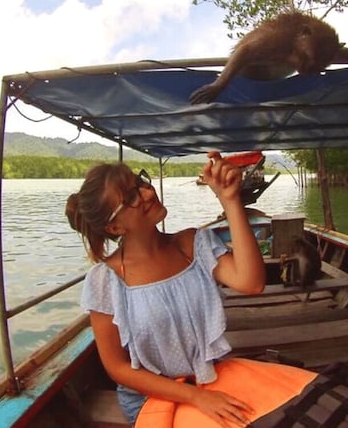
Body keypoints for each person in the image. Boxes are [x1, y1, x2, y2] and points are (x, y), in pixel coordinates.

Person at [65, 151, 267, 426]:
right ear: (114, 226)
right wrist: (194, 397)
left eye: (140, 182)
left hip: (211, 378)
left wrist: (230, 199)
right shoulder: (105, 280)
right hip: (153, 397)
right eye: (131, 197)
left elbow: (251, 282)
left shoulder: (192, 245)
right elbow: (117, 368)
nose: (148, 193)